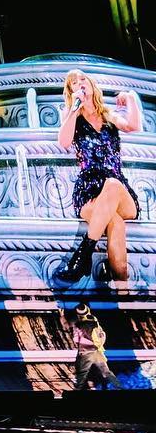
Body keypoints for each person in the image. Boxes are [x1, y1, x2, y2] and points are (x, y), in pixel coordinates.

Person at [54, 70, 141, 285]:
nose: (80, 83)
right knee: (115, 223)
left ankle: (83, 256)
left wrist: (130, 97)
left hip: (119, 192)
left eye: (83, 79)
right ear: (71, 92)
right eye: (74, 83)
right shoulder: (72, 115)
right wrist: (74, 108)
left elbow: (133, 126)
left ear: (92, 84)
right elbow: (64, 142)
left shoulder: (108, 115)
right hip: (89, 192)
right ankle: (123, 291)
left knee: (113, 184)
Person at [70, 303, 121, 389]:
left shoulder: (77, 325)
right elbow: (102, 334)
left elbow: (76, 339)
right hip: (96, 351)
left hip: (85, 352)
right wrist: (99, 345)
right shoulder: (94, 321)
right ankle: (118, 387)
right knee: (106, 372)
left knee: (82, 374)